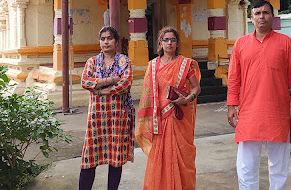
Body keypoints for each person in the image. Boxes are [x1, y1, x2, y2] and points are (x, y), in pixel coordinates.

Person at [227, 0, 291, 190]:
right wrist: (231, 105)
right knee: (246, 166)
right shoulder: (241, 44)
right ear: (251, 17)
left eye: (266, 13)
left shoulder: (285, 43)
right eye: (257, 13)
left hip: (277, 113)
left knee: (279, 166)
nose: (262, 16)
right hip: (248, 113)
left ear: (272, 16)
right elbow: (233, 78)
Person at [136, 26, 201, 190]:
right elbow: (147, 94)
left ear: (177, 43)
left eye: (173, 40)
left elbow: (196, 87)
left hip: (178, 118)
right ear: (160, 42)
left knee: (180, 157)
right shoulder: (152, 66)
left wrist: (187, 98)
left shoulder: (186, 64)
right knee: (160, 159)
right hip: (159, 121)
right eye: (166, 40)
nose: (169, 43)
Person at [79, 26, 134, 190]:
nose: (105, 42)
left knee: (115, 157)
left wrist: (101, 91)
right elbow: (85, 82)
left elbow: (126, 83)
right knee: (89, 158)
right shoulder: (92, 62)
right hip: (96, 118)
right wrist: (111, 80)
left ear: (116, 41)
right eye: (102, 39)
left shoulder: (124, 61)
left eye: (109, 38)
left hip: (118, 116)